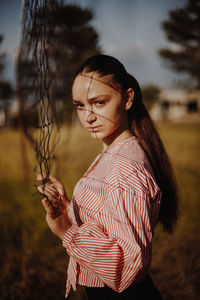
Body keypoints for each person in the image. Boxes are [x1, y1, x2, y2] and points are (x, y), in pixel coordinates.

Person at [37, 54, 179, 299]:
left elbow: (127, 266)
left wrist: (66, 233)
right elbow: (107, 225)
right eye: (80, 105)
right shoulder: (113, 152)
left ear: (127, 98)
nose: (88, 116)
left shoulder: (125, 167)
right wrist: (68, 208)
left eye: (99, 102)